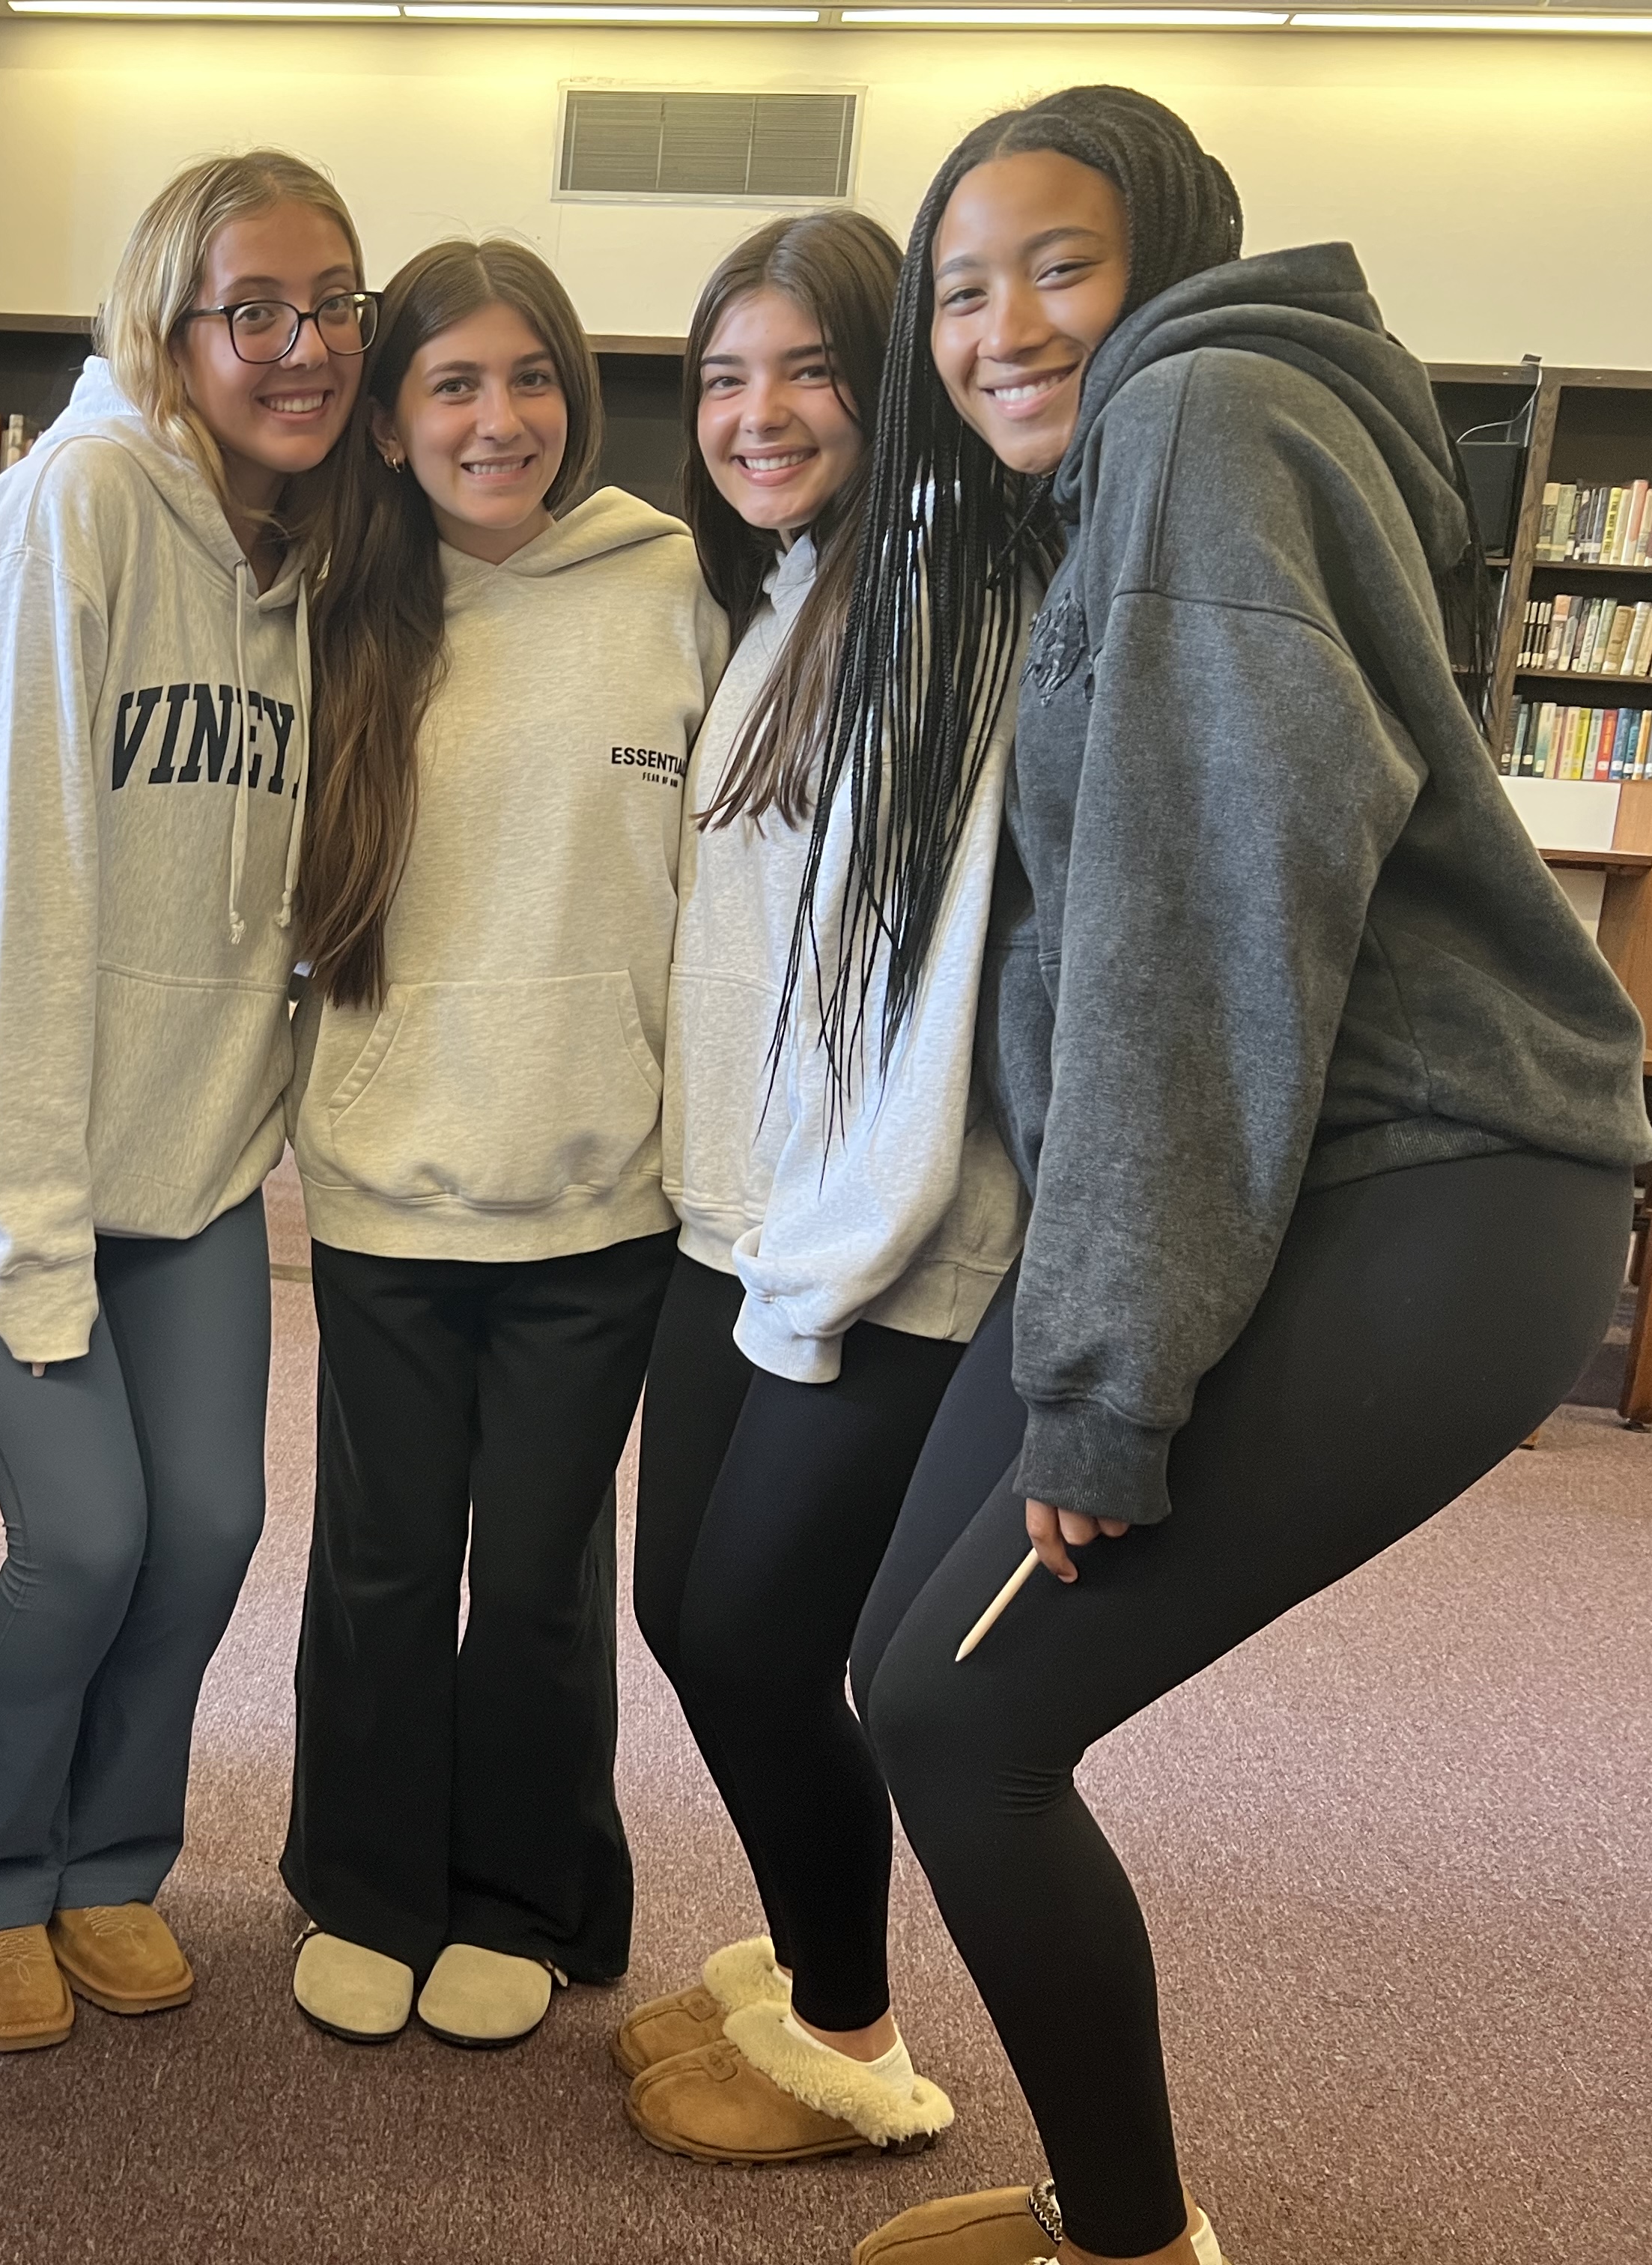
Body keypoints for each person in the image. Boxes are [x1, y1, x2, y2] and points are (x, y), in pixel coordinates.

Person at [825, 88, 1652, 2265]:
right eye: (960, 287)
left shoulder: (1202, 429)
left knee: (956, 1721)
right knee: (893, 1656)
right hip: (1282, 1170)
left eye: (1060, 267)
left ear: (1174, 257)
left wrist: (1109, 1383)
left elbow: (1199, 948)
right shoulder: (1167, 452)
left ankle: (1129, 2241)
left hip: (1430, 1183)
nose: (1000, 327)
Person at [0, 148, 371, 2056]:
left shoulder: (298, 552)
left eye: (334, 306)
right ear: (171, 322)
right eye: (257, 309)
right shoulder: (72, 509)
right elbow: (18, 912)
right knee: (87, 1534)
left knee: (212, 1526)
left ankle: (108, 1861)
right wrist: (35, 1234)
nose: (303, 347)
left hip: (185, 1144)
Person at [278, 237, 726, 2052]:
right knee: (383, 1559)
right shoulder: (331, 606)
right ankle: (369, 1884)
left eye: (529, 376)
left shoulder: (678, 585)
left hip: (599, 1193)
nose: (499, 418)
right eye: (453, 384)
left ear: (575, 397)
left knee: (542, 1571)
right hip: (387, 1182)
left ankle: (529, 1896)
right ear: (387, 423)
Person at [614, 209, 1022, 2168]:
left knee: (770, 1639)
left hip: (872, 1254)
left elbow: (921, 995)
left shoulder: (948, 604)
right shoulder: (795, 588)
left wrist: (816, 1276)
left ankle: (850, 2035)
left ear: (890, 380)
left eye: (804, 369)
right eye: (719, 376)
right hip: (740, 1221)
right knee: (683, 1613)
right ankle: (807, 1961)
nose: (755, 414)